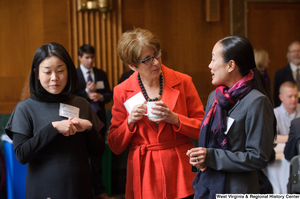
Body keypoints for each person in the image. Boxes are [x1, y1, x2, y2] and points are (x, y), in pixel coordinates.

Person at [108, 28, 205, 199]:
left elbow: (203, 129)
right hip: (144, 171)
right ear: (132, 66)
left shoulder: (183, 81)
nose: (156, 63)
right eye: (147, 59)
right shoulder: (121, 91)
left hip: (181, 169)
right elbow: (115, 145)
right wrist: (129, 122)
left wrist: (175, 119)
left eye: (157, 54)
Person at [5, 42, 105, 198]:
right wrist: (53, 128)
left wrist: (89, 128)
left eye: (60, 71)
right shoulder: (25, 108)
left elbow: (99, 151)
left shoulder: (81, 104)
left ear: (69, 71)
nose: (54, 78)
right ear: (36, 73)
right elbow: (21, 155)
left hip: (80, 191)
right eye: (47, 72)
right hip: (44, 191)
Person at [187, 36, 275, 198]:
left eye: (213, 59)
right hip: (207, 185)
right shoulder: (215, 97)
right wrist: (201, 158)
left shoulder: (256, 102)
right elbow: (209, 144)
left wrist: (211, 156)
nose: (210, 65)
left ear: (231, 65)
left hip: (237, 189)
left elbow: (259, 157)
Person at [74, 44, 113, 199]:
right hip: (80, 121)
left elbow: (109, 94)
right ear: (80, 57)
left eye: (92, 57)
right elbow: (70, 96)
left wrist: (100, 97)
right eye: (87, 57)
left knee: (98, 157)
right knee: (82, 159)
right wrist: (86, 93)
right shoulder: (74, 75)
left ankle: (99, 190)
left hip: (99, 121)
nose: (90, 61)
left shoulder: (100, 74)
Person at [273, 41, 300, 107]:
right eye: (293, 51)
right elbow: (276, 97)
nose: (296, 53)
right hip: (287, 113)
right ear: (288, 54)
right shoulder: (280, 74)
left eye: (299, 51)